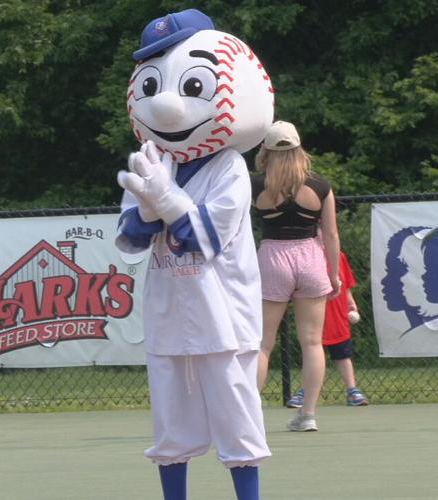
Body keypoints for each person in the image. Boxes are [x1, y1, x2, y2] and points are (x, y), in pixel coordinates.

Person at [116, 9, 274, 500]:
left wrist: (163, 200)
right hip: (168, 316)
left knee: (238, 427)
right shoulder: (152, 160)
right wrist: (148, 203)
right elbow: (131, 238)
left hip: (224, 317)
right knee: (170, 431)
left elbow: (200, 236)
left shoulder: (229, 166)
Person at [252, 120, 340, 432]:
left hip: (273, 256)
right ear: (299, 148)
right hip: (310, 256)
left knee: (263, 343)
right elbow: (329, 234)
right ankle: (308, 414)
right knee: (312, 342)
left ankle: (248, 414)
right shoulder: (320, 186)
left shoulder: (256, 186)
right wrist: (334, 273)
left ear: (266, 150)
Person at [286, 250, 369, 408]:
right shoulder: (306, 258)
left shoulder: (339, 256)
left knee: (343, 354)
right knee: (311, 353)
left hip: (337, 315)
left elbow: (345, 283)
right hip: (313, 313)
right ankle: (305, 392)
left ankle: (352, 391)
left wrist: (350, 302)